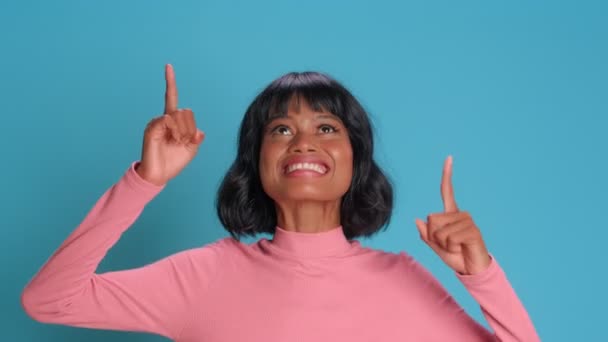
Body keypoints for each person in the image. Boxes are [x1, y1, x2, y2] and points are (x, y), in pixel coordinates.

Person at [21, 65, 540, 341]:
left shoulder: (402, 281)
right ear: (257, 163)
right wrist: (143, 182)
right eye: (282, 129)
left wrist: (484, 277)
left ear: (356, 161)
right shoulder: (202, 278)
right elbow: (49, 301)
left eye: (327, 128)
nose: (303, 142)